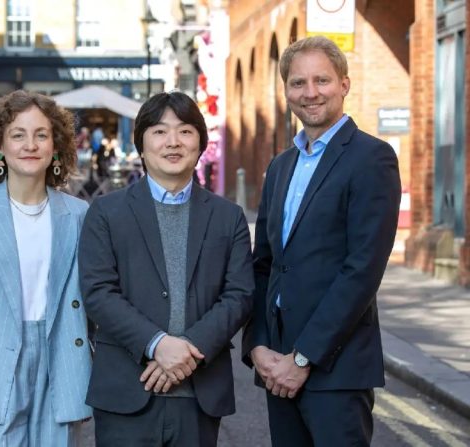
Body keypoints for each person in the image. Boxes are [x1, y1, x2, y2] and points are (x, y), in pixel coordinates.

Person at [242, 36, 401, 447]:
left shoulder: (372, 158)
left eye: (322, 80)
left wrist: (303, 358)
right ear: (286, 91)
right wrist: (258, 343)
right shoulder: (281, 166)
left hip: (335, 368)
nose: (310, 92)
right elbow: (265, 264)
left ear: (344, 84)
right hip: (277, 365)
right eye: (298, 82)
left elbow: (362, 271)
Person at [79, 91, 254, 446]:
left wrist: (188, 348)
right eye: (159, 131)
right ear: (141, 146)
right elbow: (98, 292)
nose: (173, 142)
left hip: (199, 395)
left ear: (200, 144)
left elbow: (239, 295)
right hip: (127, 390)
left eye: (185, 131)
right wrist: (156, 344)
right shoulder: (106, 212)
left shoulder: (228, 216)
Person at [0, 90, 92, 446]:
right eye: (18, 135)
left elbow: (94, 300)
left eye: (41, 135)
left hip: (61, 358)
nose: (30, 145)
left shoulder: (78, 214)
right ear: (0, 147)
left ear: (56, 147)